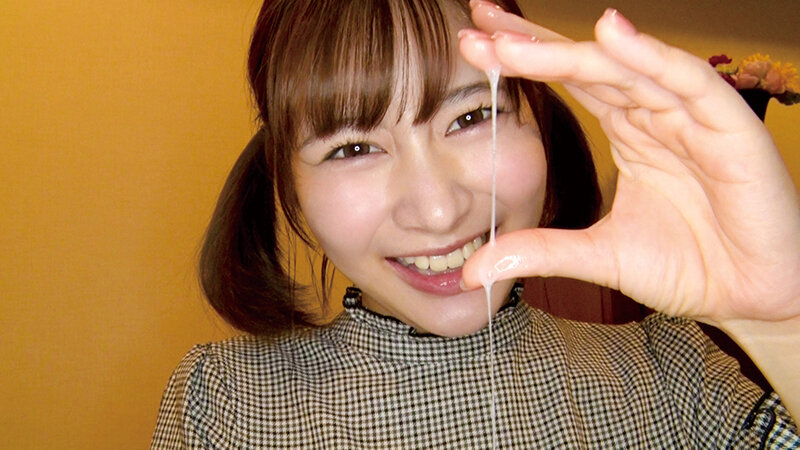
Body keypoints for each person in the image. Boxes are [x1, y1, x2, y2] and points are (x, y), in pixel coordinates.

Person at [152, 0, 800, 447]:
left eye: (470, 117)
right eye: (352, 148)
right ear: (287, 185)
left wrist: (784, 322)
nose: (438, 210)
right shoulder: (224, 406)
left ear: (537, 120)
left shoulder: (670, 377)